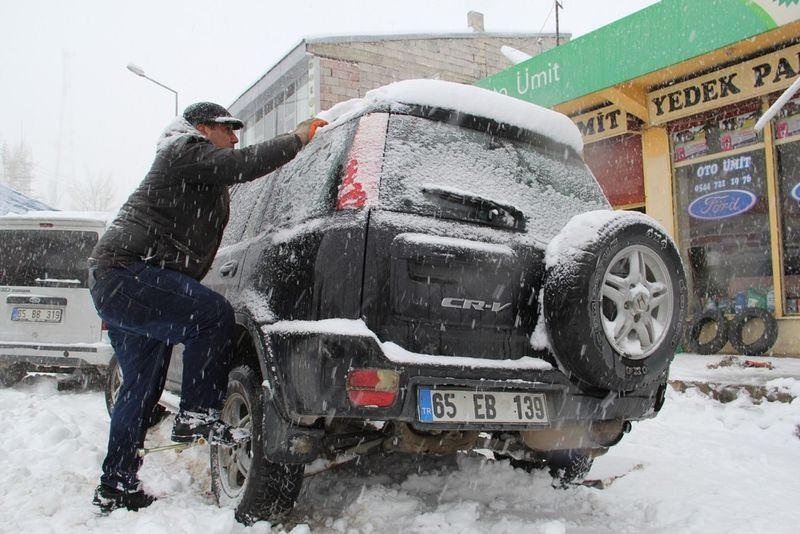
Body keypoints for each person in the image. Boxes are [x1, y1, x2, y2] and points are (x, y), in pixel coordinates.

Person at [89, 102, 326, 513]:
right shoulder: (182, 149)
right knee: (212, 316)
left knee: (140, 390)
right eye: (227, 129)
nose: (234, 138)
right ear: (201, 128)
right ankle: (197, 413)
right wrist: (298, 138)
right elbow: (243, 164)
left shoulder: (194, 170)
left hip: (123, 280)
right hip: (128, 272)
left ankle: (116, 484)